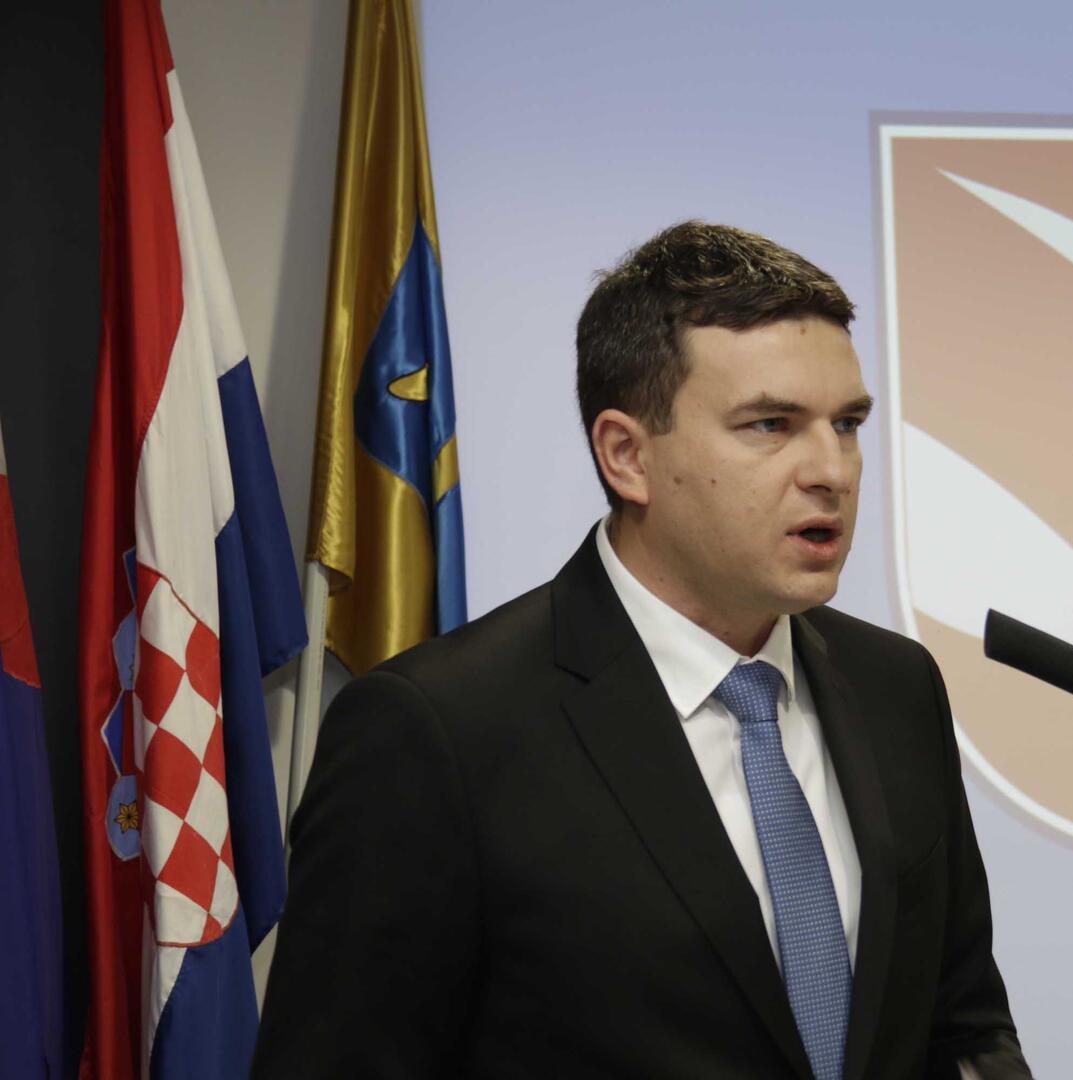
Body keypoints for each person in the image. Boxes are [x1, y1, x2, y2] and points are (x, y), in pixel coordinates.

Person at [254, 222, 1032, 1079]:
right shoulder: (438, 730)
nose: (833, 471)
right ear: (627, 456)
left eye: (846, 424)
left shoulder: (896, 687)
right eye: (771, 425)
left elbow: (964, 1026)